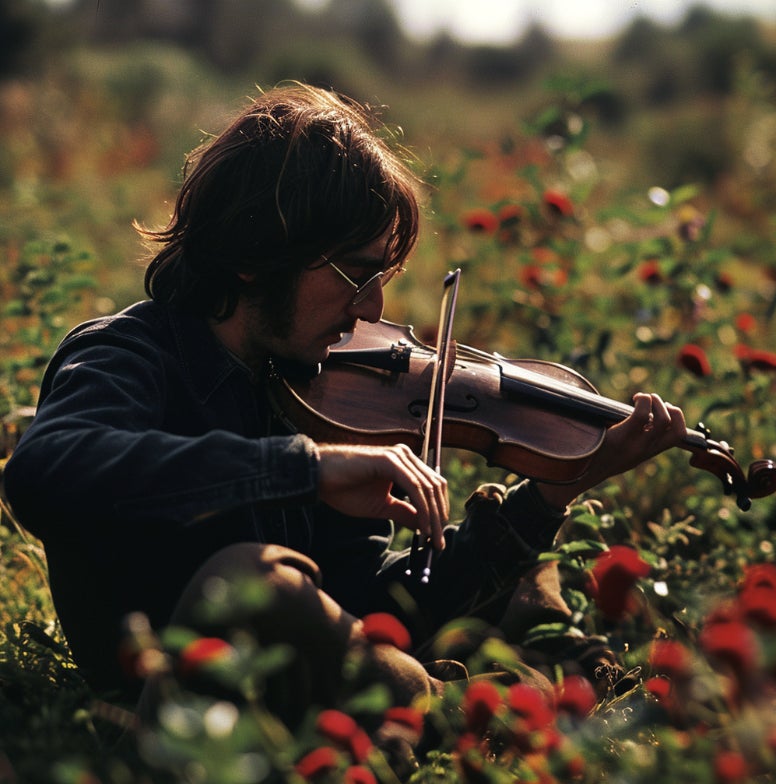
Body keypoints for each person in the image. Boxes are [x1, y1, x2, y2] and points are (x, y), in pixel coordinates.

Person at [2, 82, 686, 727]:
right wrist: (303, 468)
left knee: (516, 560)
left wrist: (548, 496)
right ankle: (457, 705)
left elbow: (370, 611)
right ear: (254, 253)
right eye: (355, 274)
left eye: (382, 278)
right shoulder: (130, 353)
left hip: (299, 686)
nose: (372, 308)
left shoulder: (315, 389)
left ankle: (457, 692)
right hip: (177, 700)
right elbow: (44, 471)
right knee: (250, 580)